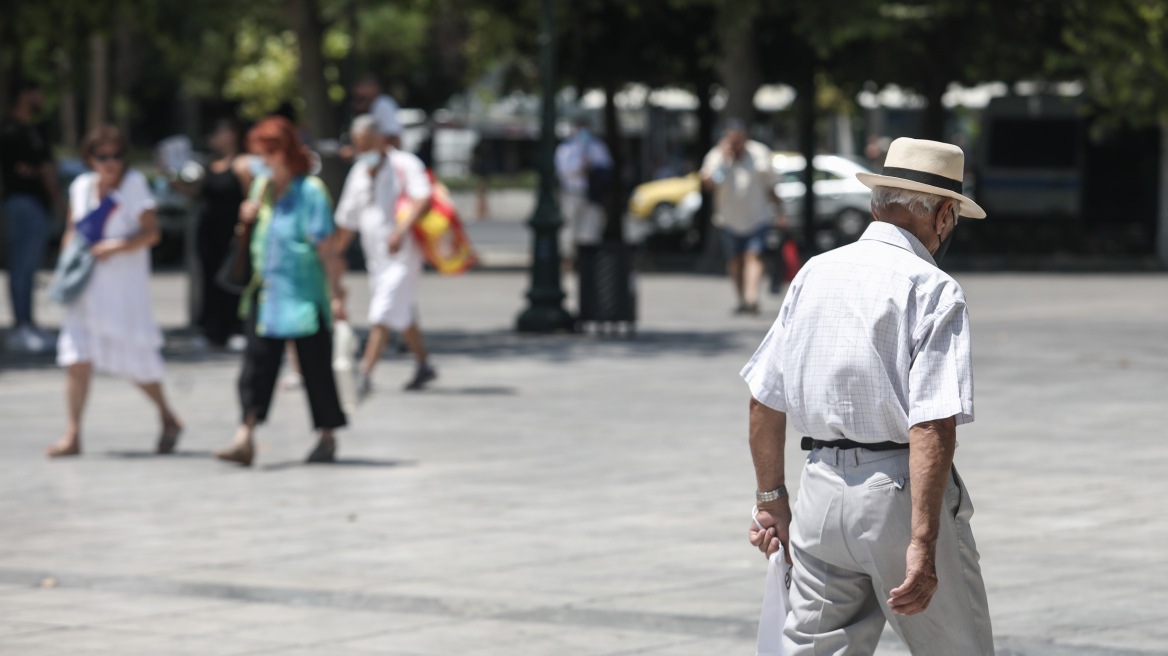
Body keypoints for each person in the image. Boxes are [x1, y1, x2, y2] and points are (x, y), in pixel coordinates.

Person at [742, 137, 993, 654]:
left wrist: (772, 501)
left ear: (880, 201)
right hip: (894, 498)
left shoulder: (815, 271)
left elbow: (764, 399)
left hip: (819, 493)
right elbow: (931, 425)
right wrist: (922, 541)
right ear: (944, 215)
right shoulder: (932, 287)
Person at [213, 116, 348, 466]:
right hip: (266, 292)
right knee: (256, 366)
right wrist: (245, 218)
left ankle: (327, 435)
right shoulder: (261, 187)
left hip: (304, 293)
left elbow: (327, 248)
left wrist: (336, 295)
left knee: (315, 367)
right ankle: (245, 436)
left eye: (266, 153)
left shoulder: (310, 193)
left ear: (283, 152)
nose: (260, 161)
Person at [47, 125, 183, 457]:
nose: (111, 163)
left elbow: (152, 233)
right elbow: (72, 230)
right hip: (87, 287)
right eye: (103, 156)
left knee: (136, 363)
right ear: (89, 158)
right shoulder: (80, 187)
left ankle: (168, 417)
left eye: (117, 156)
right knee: (77, 359)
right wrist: (67, 268)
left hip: (123, 290)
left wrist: (117, 246)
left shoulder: (134, 185)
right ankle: (73, 433)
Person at [333, 114, 437, 398]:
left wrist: (401, 230)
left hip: (404, 255)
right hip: (375, 259)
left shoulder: (405, 164)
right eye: (358, 145)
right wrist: (334, 256)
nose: (363, 151)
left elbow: (423, 198)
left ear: (380, 140)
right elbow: (346, 220)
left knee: (381, 312)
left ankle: (364, 374)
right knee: (400, 313)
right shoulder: (358, 172)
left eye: (367, 144)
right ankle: (424, 363)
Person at [700, 120, 782, 316]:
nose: (735, 144)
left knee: (753, 256)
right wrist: (723, 161)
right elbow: (708, 184)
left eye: (739, 140)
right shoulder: (717, 156)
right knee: (735, 260)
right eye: (732, 140)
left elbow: (770, 185)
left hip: (757, 216)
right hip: (729, 219)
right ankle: (741, 298)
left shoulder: (759, 153)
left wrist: (780, 212)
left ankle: (751, 297)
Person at [0, 79, 58, 353]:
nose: (42, 99)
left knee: (30, 267)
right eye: (39, 93)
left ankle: (27, 323)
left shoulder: (34, 130)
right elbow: (43, 170)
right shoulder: (10, 130)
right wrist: (59, 199)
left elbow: (45, 166)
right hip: (21, 203)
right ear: (25, 95)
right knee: (22, 266)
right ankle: (21, 326)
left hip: (34, 203)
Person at [194, 118, 252, 347]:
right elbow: (198, 193)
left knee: (233, 277)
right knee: (209, 280)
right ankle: (211, 330)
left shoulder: (242, 163)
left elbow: (250, 197)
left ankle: (235, 328)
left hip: (231, 231)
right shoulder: (210, 162)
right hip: (208, 231)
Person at [554, 120, 612, 266]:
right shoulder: (566, 148)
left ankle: (587, 261)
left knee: (590, 229)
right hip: (571, 194)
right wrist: (579, 170)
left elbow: (606, 168)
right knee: (569, 229)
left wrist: (592, 169)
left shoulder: (597, 146)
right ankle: (569, 259)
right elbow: (561, 172)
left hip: (592, 195)